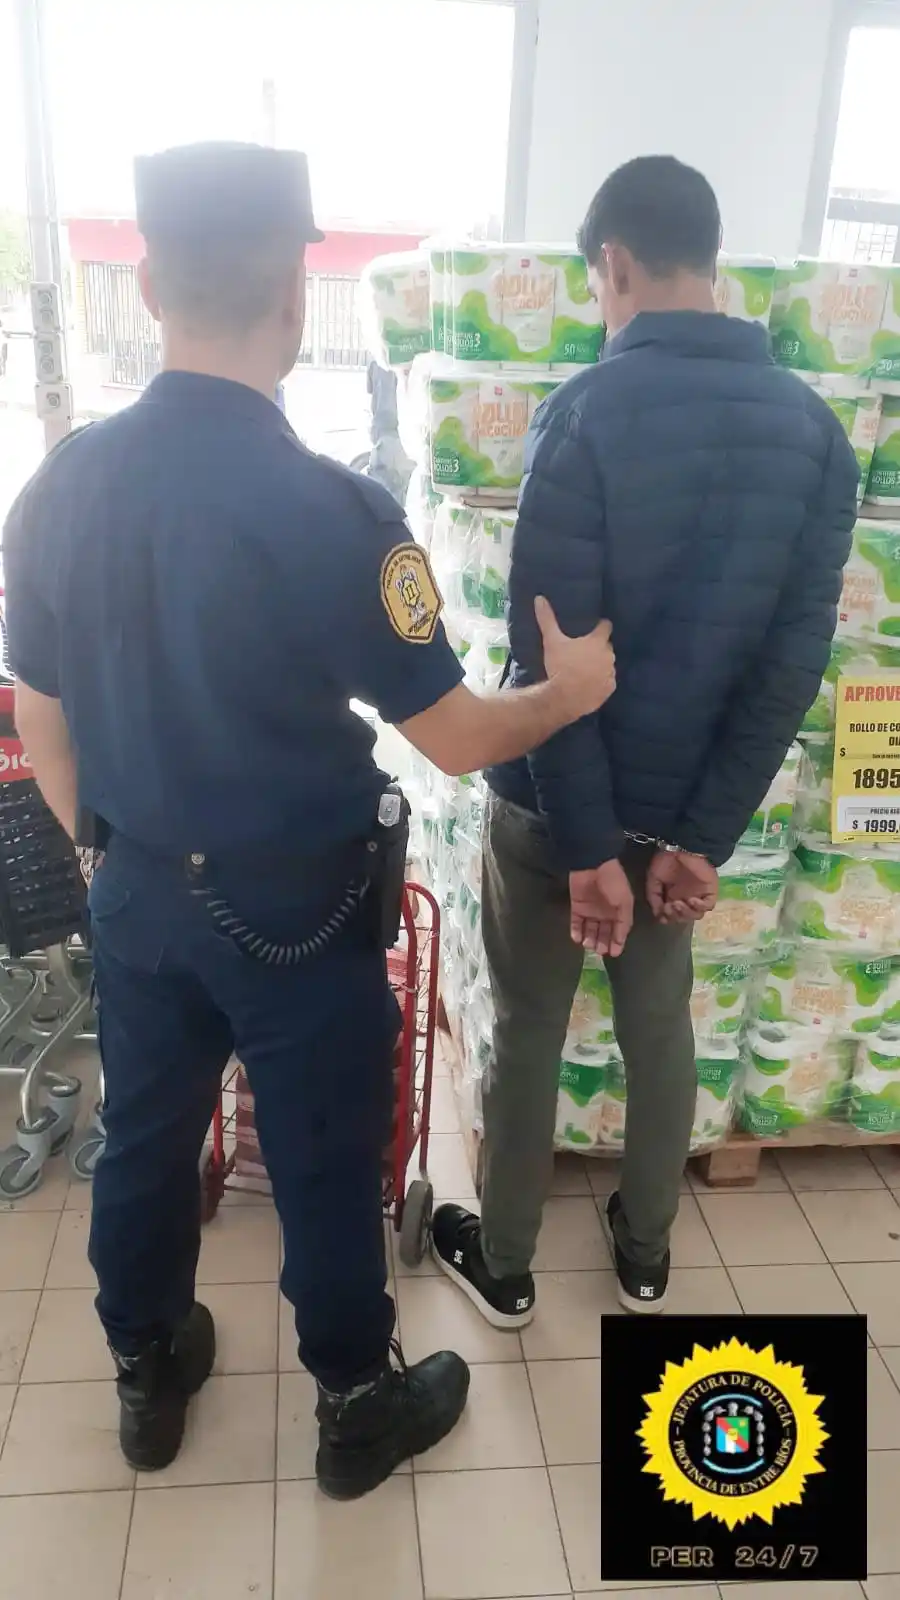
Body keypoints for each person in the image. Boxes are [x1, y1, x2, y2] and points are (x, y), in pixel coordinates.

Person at [2, 141, 616, 1497]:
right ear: (296, 296)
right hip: (300, 907)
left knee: (147, 1137)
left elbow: (34, 698)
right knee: (330, 1156)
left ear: (150, 284)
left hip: (143, 888)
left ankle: (147, 1369)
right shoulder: (340, 510)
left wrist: (103, 844)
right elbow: (455, 733)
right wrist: (566, 692)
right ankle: (352, 1404)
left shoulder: (60, 489)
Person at [431, 154, 858, 1322]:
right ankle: (647, 1251)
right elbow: (787, 668)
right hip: (675, 817)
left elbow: (546, 655)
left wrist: (581, 850)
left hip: (552, 811)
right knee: (658, 1024)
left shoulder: (588, 413)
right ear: (711, 263)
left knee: (526, 1025)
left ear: (612, 265)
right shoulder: (817, 437)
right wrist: (693, 834)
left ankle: (507, 1265)